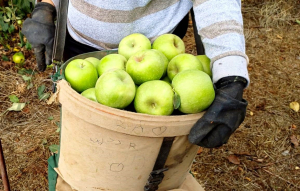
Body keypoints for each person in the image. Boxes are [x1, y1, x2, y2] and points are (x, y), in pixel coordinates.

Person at [22, 0, 249, 190]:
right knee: (90, 156)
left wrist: (231, 75)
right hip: (82, 53)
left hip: (159, 60)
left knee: (146, 164)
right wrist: (47, 4)